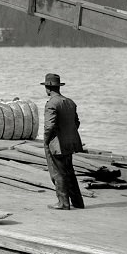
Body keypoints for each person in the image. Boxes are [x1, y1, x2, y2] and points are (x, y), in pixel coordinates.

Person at [41, 73, 85, 210]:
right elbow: (76, 123)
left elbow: (49, 126)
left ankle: (63, 203)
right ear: (58, 87)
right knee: (69, 172)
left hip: (56, 144)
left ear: (48, 88)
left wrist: (46, 141)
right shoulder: (70, 102)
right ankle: (78, 202)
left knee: (58, 173)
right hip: (69, 143)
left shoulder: (51, 104)